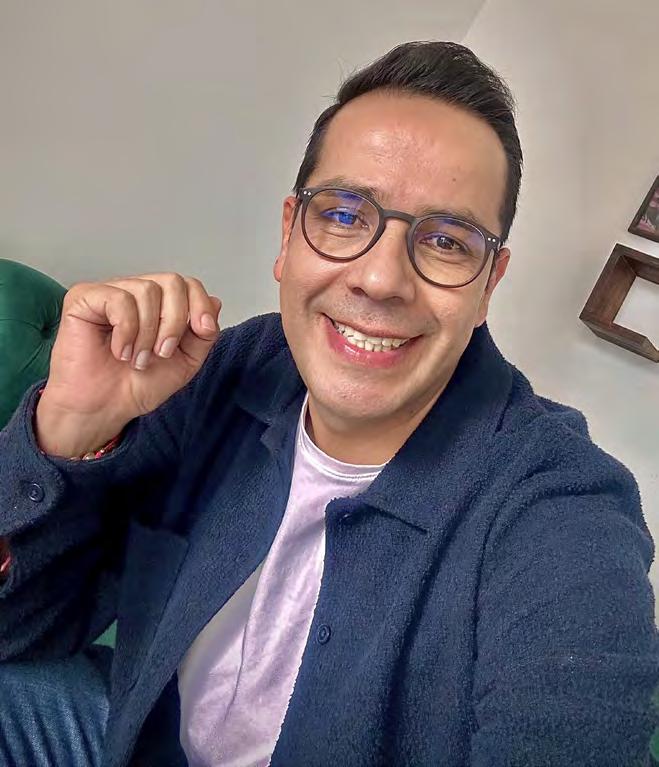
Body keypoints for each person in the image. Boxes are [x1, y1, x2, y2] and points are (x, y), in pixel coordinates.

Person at [0, 41, 657, 767]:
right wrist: (66, 429)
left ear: (486, 287)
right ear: (289, 235)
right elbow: (19, 628)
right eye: (344, 214)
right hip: (131, 733)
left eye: (446, 240)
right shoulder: (227, 368)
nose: (380, 279)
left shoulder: (557, 500)